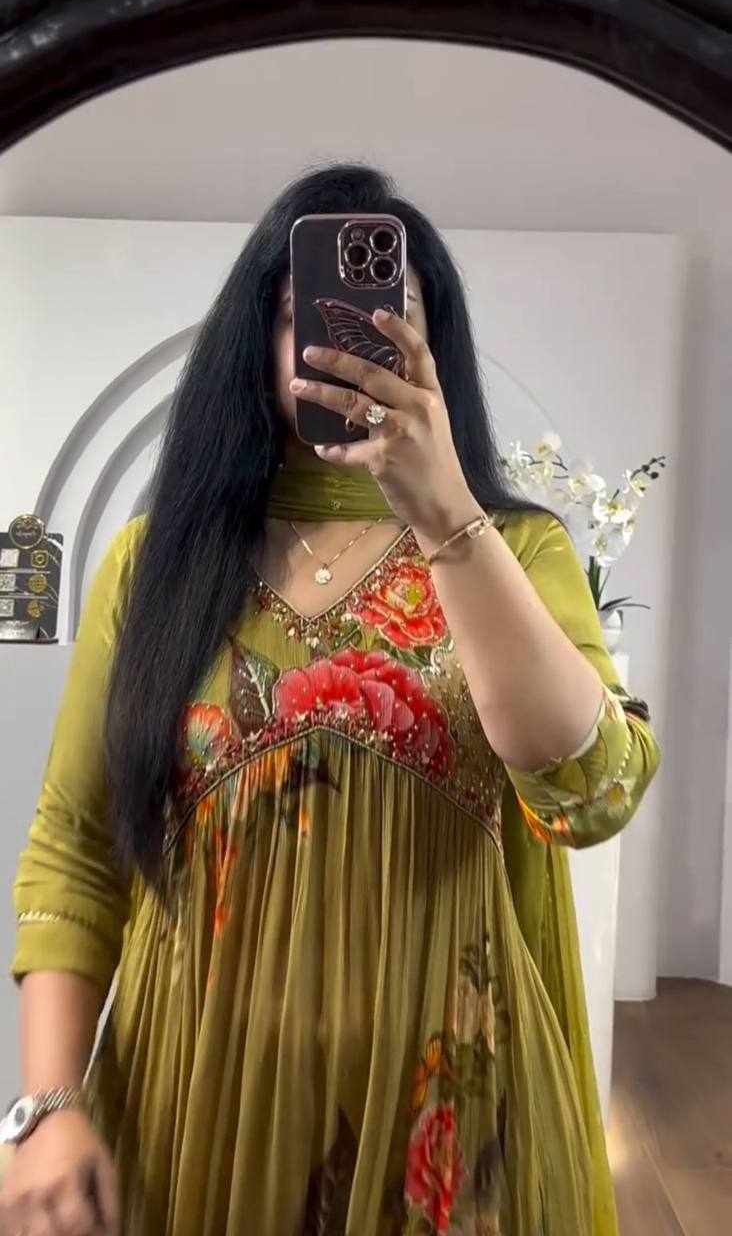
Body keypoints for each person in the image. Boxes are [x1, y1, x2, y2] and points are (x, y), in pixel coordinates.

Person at [1, 164, 659, 1236]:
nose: (348, 341)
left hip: (457, 1109)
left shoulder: (518, 550)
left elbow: (592, 791)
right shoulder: (152, 565)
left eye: (390, 315)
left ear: (434, 349)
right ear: (254, 344)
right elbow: (76, 846)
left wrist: (446, 514)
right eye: (303, 314)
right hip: (192, 1108)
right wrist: (47, 1107)